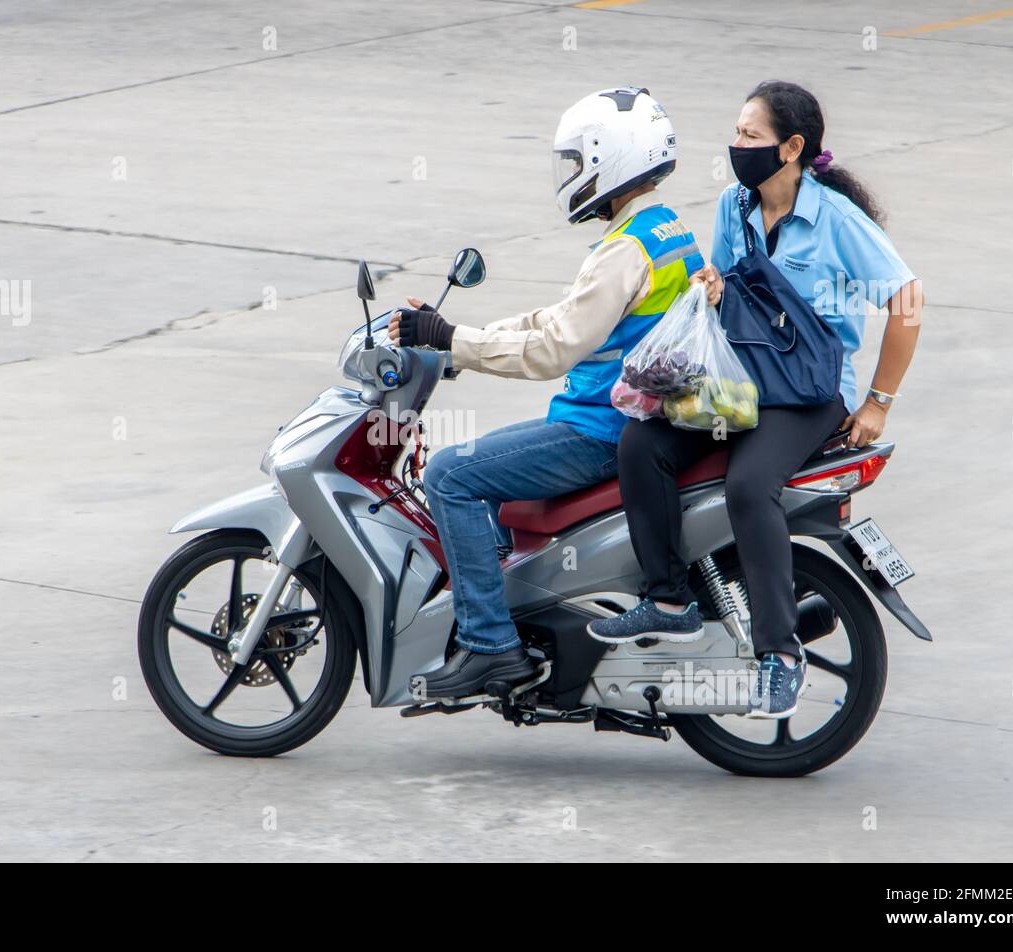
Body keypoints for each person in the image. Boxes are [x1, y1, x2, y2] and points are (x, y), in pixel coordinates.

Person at [588, 80, 923, 718]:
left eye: (751, 135)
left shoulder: (837, 222)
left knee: (749, 486)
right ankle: (667, 601)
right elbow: (731, 295)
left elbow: (908, 303)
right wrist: (712, 286)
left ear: (792, 148)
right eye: (737, 132)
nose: (736, 145)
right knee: (641, 444)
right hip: (741, 380)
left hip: (807, 394)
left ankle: (781, 654)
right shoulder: (732, 206)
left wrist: (878, 402)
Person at [386, 86, 704, 699]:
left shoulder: (623, 251)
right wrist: (457, 341)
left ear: (610, 157)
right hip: (638, 420)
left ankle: (491, 646)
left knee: (451, 474)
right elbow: (562, 319)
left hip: (598, 430)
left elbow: (554, 349)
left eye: (576, 161)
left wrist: (453, 340)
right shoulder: (665, 230)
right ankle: (520, 613)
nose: (571, 176)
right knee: (481, 475)